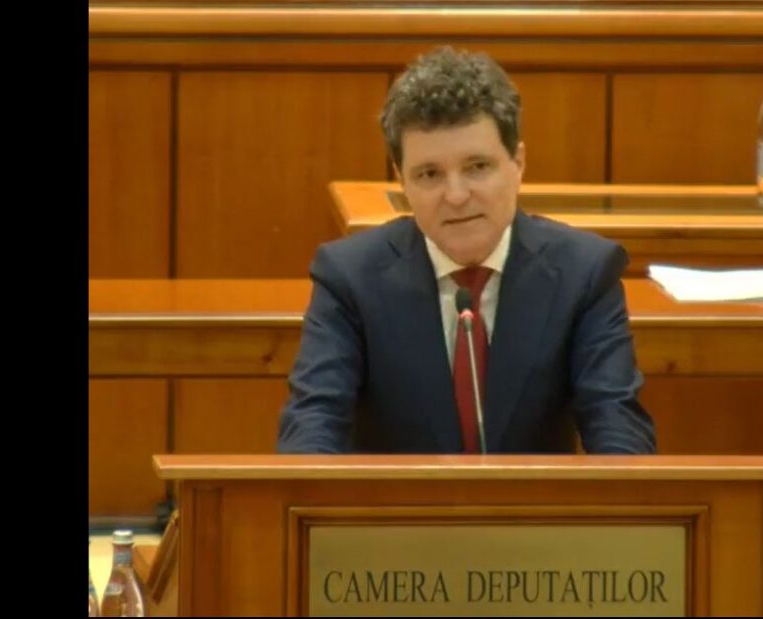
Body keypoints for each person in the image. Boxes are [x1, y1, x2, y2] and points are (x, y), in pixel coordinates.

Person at [278, 46, 655, 454]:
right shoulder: (349, 277)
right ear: (402, 180)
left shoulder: (584, 273)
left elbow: (617, 429)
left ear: (518, 163)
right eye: (429, 174)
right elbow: (313, 424)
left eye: (477, 167)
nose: (456, 196)